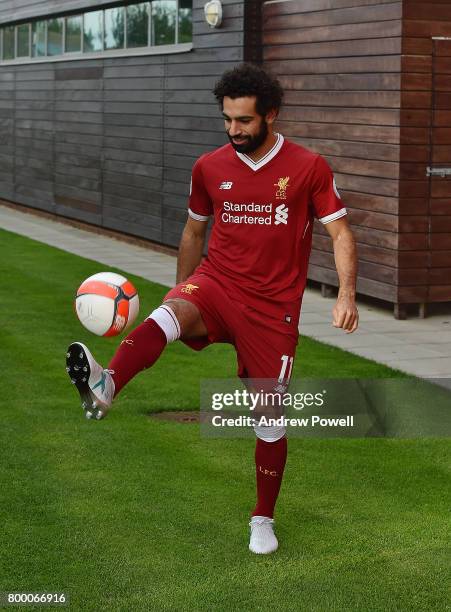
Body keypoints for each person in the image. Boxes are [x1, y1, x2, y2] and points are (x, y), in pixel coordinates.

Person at [66, 63, 359, 555]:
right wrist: (182, 291)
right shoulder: (209, 166)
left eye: (243, 121)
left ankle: (262, 518)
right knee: (167, 315)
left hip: (272, 308)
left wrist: (347, 294)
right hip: (217, 282)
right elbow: (193, 232)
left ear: (271, 114)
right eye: (226, 119)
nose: (233, 130)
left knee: (269, 416)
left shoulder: (309, 167)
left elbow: (340, 233)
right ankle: (106, 384)